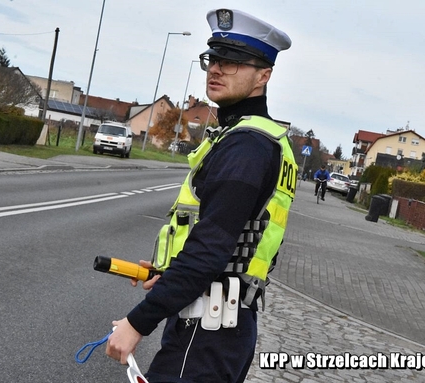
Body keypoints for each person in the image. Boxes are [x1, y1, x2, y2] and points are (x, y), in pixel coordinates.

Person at [106, 9, 296, 382]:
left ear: (264, 75)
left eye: (234, 62)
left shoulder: (247, 146)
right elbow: (234, 243)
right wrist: (167, 271)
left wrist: (137, 322)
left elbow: (210, 248)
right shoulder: (252, 137)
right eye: (213, 59)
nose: (217, 69)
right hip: (222, 329)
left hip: (206, 334)